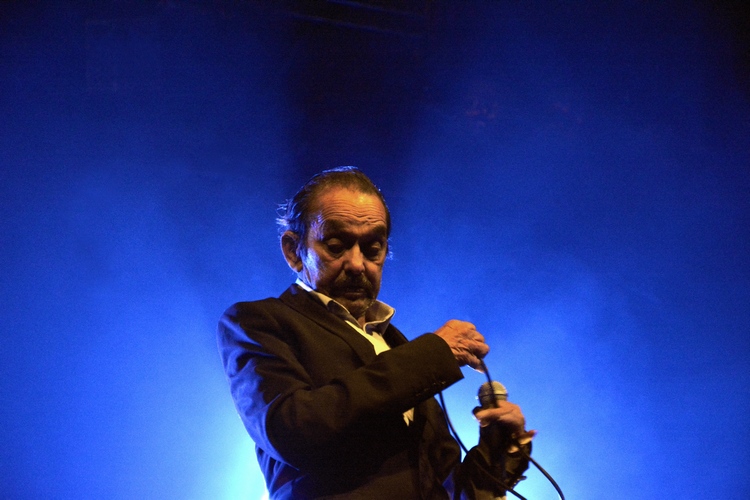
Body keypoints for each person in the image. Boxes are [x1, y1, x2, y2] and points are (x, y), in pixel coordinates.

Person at [217, 166, 534, 499]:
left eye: (372, 249)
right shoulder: (259, 321)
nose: (357, 264)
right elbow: (292, 431)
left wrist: (499, 453)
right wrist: (433, 355)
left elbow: (448, 490)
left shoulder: (396, 346)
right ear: (294, 251)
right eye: (336, 245)